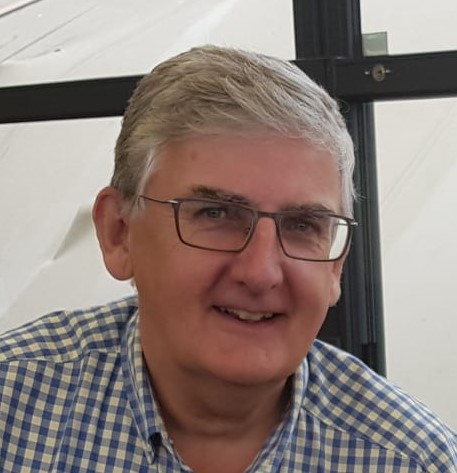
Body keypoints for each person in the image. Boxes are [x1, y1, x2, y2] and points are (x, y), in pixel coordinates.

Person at [0, 45, 455, 473]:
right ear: (119, 233)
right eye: (215, 214)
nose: (260, 273)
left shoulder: (411, 460)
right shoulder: (12, 413)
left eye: (302, 226)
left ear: (335, 266)